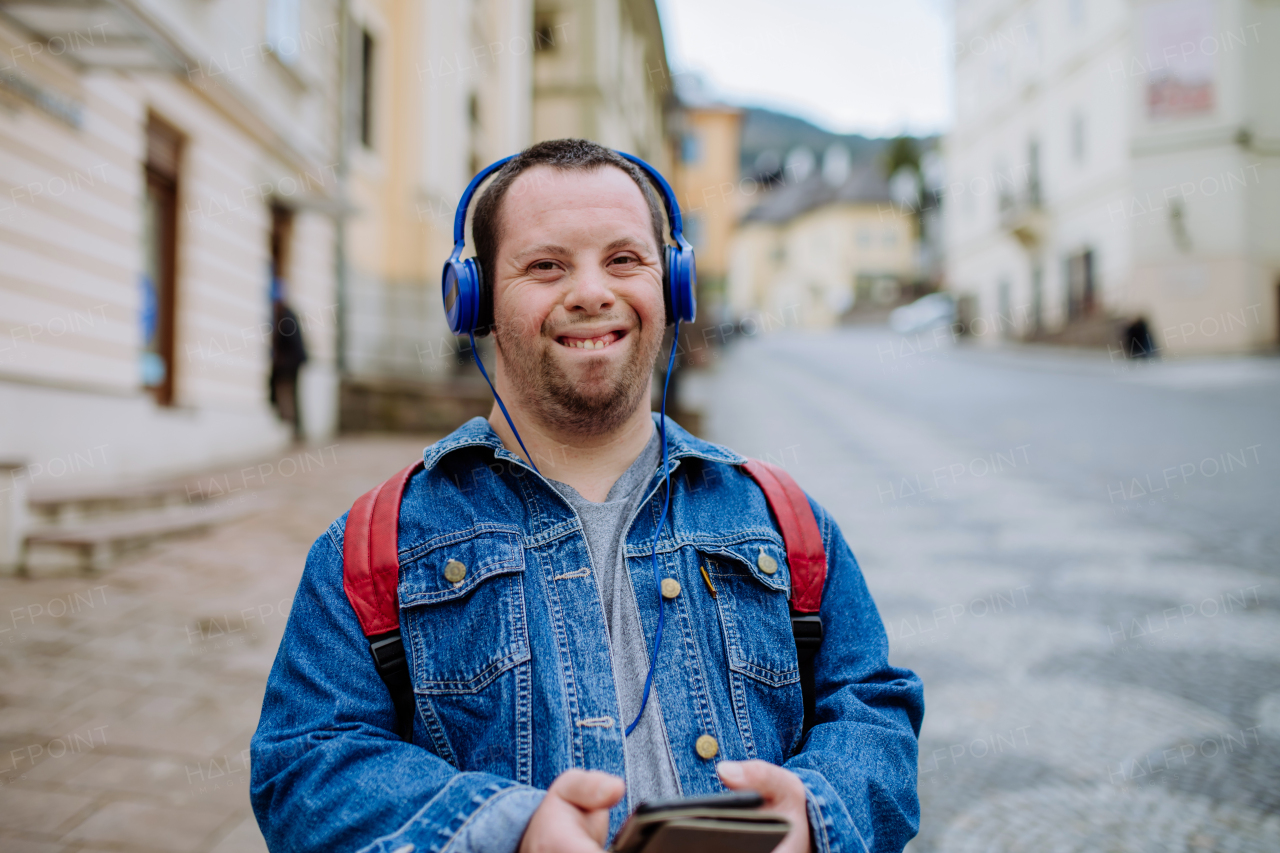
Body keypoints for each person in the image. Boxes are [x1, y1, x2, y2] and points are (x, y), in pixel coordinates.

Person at [250, 139, 923, 853]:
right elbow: (303, 768)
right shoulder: (372, 546)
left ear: (674, 285)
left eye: (625, 259)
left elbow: (875, 715)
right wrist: (506, 830)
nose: (593, 291)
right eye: (546, 265)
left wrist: (815, 808)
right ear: (470, 298)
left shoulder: (784, 522)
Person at [269, 292, 307, 442]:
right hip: (294, 362)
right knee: (293, 395)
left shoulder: (285, 317)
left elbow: (291, 343)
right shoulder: (287, 314)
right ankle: (295, 429)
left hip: (290, 364)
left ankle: (292, 429)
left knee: (287, 394)